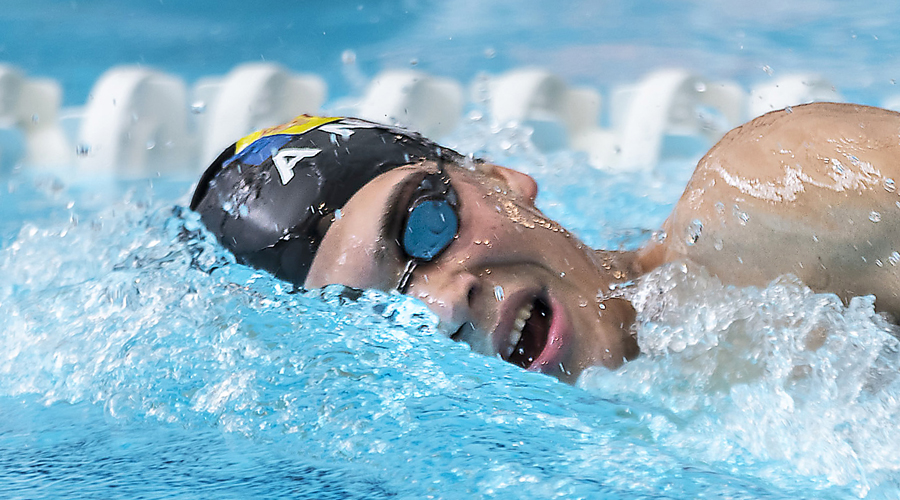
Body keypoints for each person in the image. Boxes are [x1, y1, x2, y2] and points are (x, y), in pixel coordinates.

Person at [190, 103, 900, 383]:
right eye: (378, 313)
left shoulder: (773, 201)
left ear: (498, 178)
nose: (440, 304)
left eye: (425, 225)